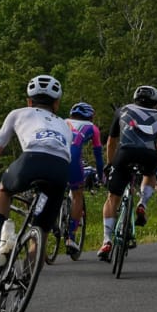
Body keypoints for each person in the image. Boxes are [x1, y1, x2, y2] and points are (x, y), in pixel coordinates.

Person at [0, 75, 72, 256]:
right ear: (56, 104)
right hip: (60, 170)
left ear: (29, 101)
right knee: (40, 232)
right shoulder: (65, 125)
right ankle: (26, 279)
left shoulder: (18, 113)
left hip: (32, 159)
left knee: (3, 191)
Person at [97, 85, 157, 260]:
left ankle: (107, 240)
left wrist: (110, 163)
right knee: (149, 176)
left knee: (112, 198)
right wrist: (155, 165)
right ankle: (142, 203)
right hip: (149, 154)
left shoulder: (123, 110)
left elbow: (111, 140)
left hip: (125, 153)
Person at [65, 102, 104, 255]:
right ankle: (71, 236)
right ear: (90, 116)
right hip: (73, 159)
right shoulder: (92, 128)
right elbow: (98, 157)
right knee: (77, 194)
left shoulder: (62, 121)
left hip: (54, 156)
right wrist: (101, 177)